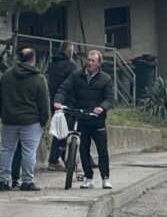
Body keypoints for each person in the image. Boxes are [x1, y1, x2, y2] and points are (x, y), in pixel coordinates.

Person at [54, 49, 114, 189]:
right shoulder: (76, 75)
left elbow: (109, 98)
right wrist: (58, 100)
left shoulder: (105, 79)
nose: (90, 63)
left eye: (93, 61)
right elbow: (64, 88)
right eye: (88, 60)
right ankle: (88, 178)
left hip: (97, 119)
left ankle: (105, 178)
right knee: (83, 149)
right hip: (81, 117)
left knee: (102, 150)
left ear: (99, 63)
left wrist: (101, 107)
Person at [0, 48, 50, 191]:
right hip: (31, 121)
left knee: (6, 150)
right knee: (29, 152)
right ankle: (27, 181)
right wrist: (44, 120)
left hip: (9, 119)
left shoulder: (6, 76)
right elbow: (44, 103)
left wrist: (3, 115)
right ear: (33, 59)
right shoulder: (39, 78)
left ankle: (3, 180)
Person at [46, 41, 79, 170]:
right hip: (68, 102)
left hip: (55, 101)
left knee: (59, 131)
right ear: (70, 51)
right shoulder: (71, 66)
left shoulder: (52, 64)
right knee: (66, 132)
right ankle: (60, 160)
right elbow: (76, 83)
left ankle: (58, 160)